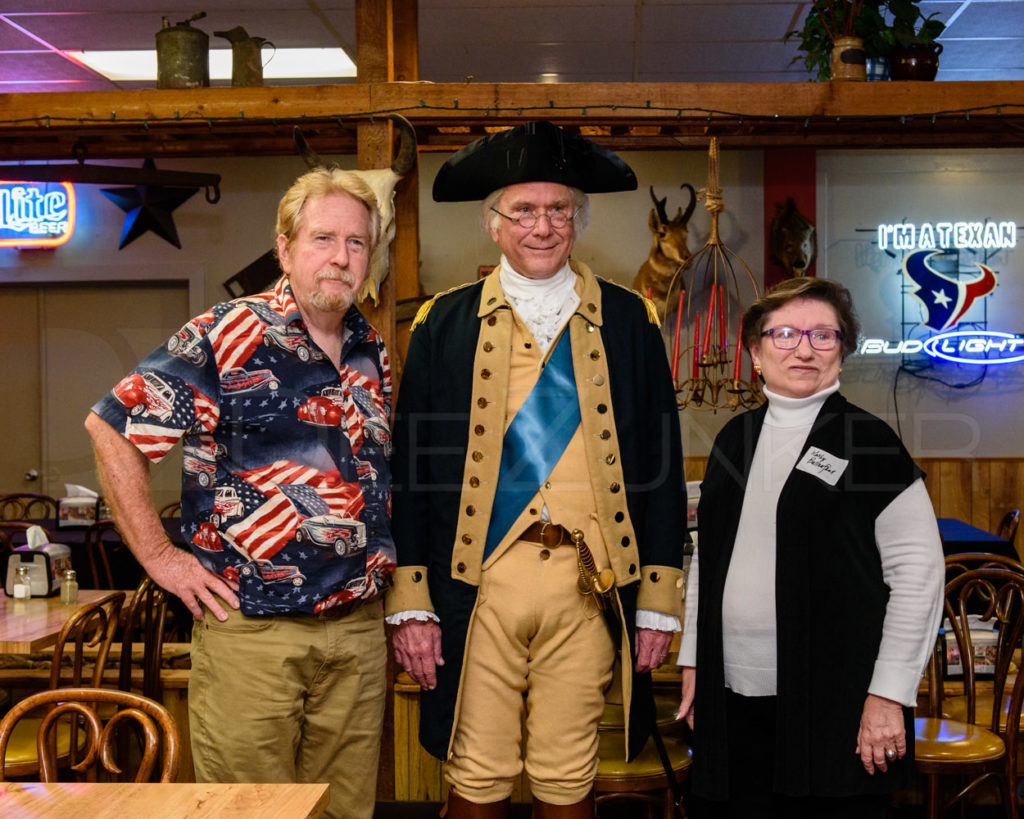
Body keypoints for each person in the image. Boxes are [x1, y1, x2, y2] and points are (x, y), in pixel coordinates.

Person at [387, 121, 686, 818]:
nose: (542, 225)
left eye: (558, 209)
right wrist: (412, 596)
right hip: (479, 579)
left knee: (567, 775)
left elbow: (659, 466)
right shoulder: (443, 323)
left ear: (579, 220)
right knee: (477, 772)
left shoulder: (631, 321)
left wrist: (661, 597)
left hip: (591, 579)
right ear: (494, 224)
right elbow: (414, 469)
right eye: (523, 209)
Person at [84, 167, 395, 819]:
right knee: (250, 812)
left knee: (347, 813)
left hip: (357, 633)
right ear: (284, 247)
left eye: (358, 243)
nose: (341, 256)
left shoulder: (372, 351)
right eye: (323, 238)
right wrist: (160, 559)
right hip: (254, 632)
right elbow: (112, 427)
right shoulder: (226, 334)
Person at [677, 277, 945, 818]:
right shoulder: (734, 438)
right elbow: (710, 559)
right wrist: (693, 663)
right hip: (732, 694)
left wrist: (889, 694)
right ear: (755, 352)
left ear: (842, 351)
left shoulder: (868, 444)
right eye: (785, 334)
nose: (804, 349)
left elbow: (918, 576)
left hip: (837, 699)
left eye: (824, 335)